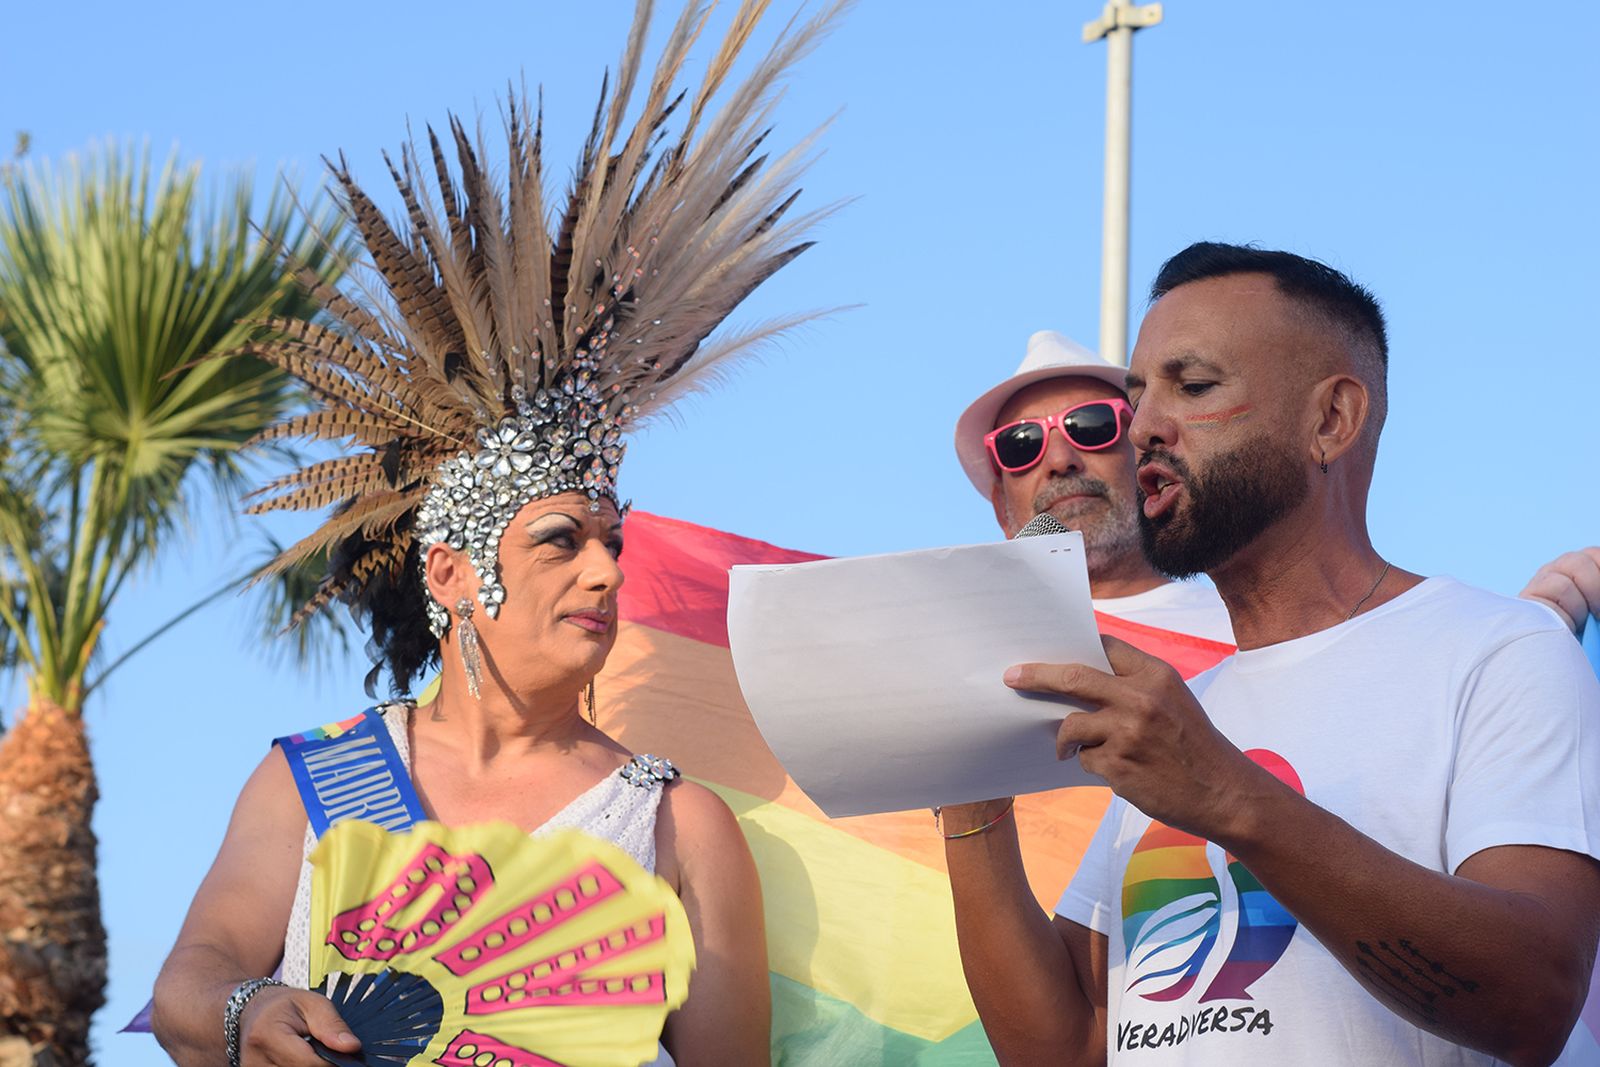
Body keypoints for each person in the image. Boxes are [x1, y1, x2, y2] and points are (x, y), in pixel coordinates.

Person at [146, 3, 844, 1064]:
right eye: (561, 539)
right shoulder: (318, 779)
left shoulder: (677, 825)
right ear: (454, 572)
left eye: (613, 538)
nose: (607, 568)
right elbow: (190, 981)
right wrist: (251, 1008)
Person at [941, 242, 1600, 1064]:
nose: (1142, 426)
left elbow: (1534, 998)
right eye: (1140, 395)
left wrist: (1228, 794)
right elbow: (1069, 1047)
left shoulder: (1499, 652)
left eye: (1194, 385)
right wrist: (967, 796)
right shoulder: (1190, 707)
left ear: (1331, 420)